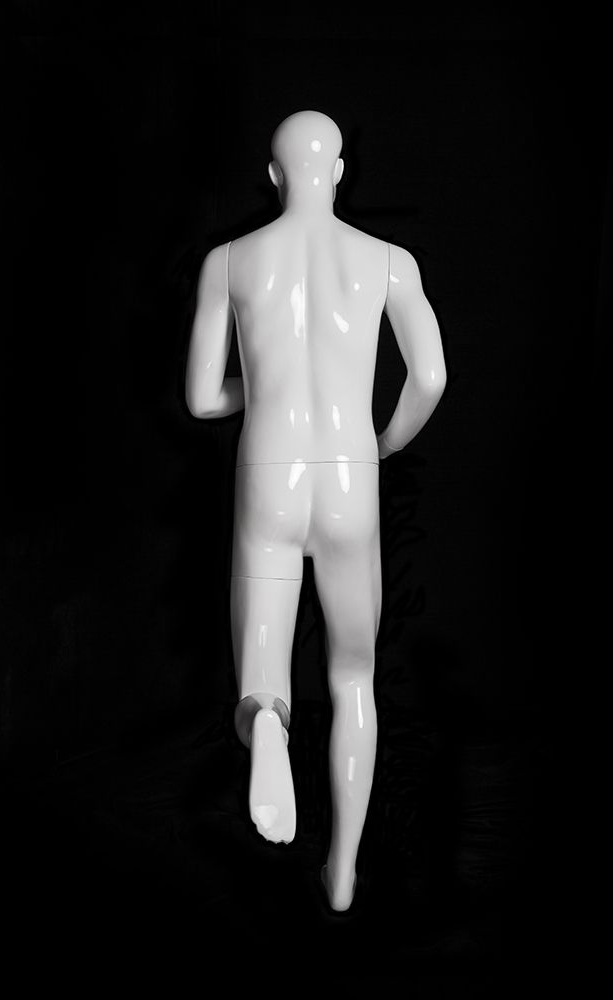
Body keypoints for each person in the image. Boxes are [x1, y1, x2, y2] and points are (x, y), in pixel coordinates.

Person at [186, 110, 446, 911]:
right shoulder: (389, 262)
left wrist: (260, 385)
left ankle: (267, 719)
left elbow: (200, 398)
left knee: (264, 663)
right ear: (338, 171)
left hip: (269, 471)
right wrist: (385, 441)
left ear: (273, 177)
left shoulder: (228, 261)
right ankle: (343, 874)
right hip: (348, 476)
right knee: (354, 677)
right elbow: (430, 378)